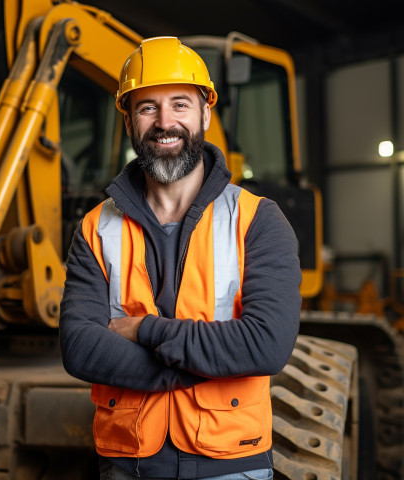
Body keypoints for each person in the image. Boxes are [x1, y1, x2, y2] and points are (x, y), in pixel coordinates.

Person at [59, 36, 301, 480]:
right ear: (129, 120)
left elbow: (266, 345)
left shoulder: (258, 221)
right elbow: (79, 348)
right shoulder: (95, 228)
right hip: (127, 463)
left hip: (230, 464)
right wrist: (203, 366)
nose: (164, 121)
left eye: (180, 105)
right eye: (147, 107)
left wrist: (143, 330)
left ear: (206, 112)